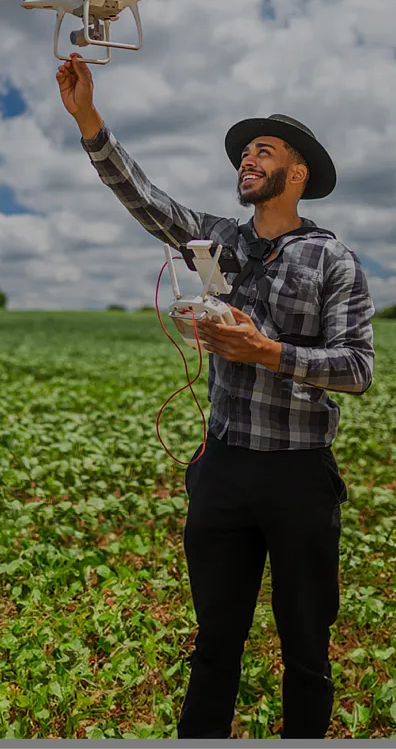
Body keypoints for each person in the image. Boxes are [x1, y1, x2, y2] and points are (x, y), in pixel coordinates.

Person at [56, 53, 375, 740]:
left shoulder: (333, 259)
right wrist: (90, 121)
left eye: (265, 151)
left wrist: (268, 351)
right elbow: (146, 199)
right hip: (223, 469)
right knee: (215, 643)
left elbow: (357, 369)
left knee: (307, 654)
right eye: (243, 154)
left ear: (299, 175)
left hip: (298, 475)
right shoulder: (219, 241)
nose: (247, 161)